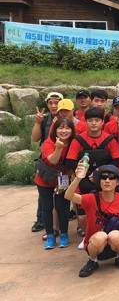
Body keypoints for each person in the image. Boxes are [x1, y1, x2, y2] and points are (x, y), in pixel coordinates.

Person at [65, 163, 119, 277]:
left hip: (114, 244)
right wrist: (78, 178)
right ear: (99, 182)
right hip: (95, 244)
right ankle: (93, 261)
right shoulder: (91, 198)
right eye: (103, 177)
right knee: (101, 236)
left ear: (117, 182)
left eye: (112, 177)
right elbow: (68, 196)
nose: (107, 180)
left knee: (115, 236)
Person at [66, 107, 119, 249]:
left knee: (107, 210)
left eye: (97, 120)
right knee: (84, 214)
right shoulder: (78, 140)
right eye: (90, 120)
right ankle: (87, 236)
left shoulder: (109, 139)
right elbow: (71, 160)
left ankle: (109, 236)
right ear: (85, 122)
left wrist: (99, 173)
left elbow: (117, 159)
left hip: (105, 178)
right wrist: (83, 173)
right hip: (84, 179)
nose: (94, 123)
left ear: (102, 122)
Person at [35, 117, 75, 249]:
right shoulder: (49, 142)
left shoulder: (74, 143)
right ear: (55, 130)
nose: (64, 131)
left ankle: (64, 234)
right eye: (60, 128)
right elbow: (52, 161)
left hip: (62, 177)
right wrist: (58, 148)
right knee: (47, 207)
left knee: (62, 207)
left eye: (67, 128)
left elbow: (72, 164)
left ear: (72, 130)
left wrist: (62, 182)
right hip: (44, 179)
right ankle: (50, 235)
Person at [31, 91, 63, 233]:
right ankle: (41, 220)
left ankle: (62, 221)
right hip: (47, 160)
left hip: (63, 160)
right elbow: (35, 138)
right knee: (44, 193)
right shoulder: (44, 119)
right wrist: (38, 122)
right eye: (50, 103)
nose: (54, 106)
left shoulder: (66, 119)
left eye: (56, 103)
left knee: (63, 191)